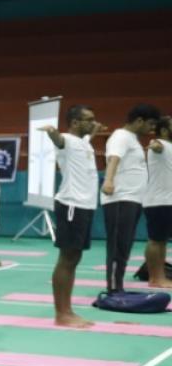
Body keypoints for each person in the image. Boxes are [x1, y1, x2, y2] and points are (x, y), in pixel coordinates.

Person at [39, 106, 101, 327]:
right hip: (71, 205)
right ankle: (61, 314)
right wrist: (51, 132)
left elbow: (84, 137)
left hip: (85, 205)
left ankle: (68, 310)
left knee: (74, 259)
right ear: (75, 122)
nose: (93, 123)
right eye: (89, 119)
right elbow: (59, 140)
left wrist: (92, 131)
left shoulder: (84, 142)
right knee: (67, 258)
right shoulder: (66, 138)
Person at [101, 105, 157, 293]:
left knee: (124, 246)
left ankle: (118, 285)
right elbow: (113, 159)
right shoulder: (121, 137)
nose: (151, 129)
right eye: (150, 124)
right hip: (120, 199)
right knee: (118, 246)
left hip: (132, 199)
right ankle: (114, 288)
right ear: (139, 120)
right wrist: (108, 180)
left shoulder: (132, 139)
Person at [139, 117, 172, 288]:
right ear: (165, 130)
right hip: (158, 201)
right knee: (155, 240)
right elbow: (156, 146)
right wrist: (154, 146)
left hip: (168, 201)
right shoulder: (158, 143)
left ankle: (160, 275)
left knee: (162, 241)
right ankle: (154, 278)